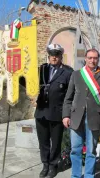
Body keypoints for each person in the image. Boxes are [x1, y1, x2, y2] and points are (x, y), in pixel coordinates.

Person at [62, 48, 100, 178]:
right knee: (75, 149)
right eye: (90, 58)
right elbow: (68, 97)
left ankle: (89, 175)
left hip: (94, 118)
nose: (92, 60)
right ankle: (76, 175)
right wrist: (66, 115)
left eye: (95, 58)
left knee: (91, 151)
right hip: (76, 117)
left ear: (98, 59)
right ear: (85, 58)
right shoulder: (76, 74)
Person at [34, 44, 73, 178]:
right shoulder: (41, 69)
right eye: (52, 54)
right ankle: (45, 164)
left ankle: (53, 166)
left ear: (61, 56)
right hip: (41, 111)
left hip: (57, 113)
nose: (54, 57)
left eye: (57, 55)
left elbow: (70, 94)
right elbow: (29, 84)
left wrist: (67, 114)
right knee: (43, 141)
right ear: (48, 55)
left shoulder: (68, 72)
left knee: (56, 142)